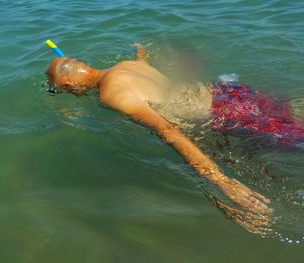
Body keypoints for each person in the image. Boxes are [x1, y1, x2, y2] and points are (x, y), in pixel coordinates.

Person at [45, 43, 275, 215]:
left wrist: (222, 182)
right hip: (231, 93)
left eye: (60, 90)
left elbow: (168, 131)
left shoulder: (111, 95)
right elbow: (143, 66)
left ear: (69, 84)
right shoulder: (128, 65)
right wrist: (140, 52)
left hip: (231, 117)